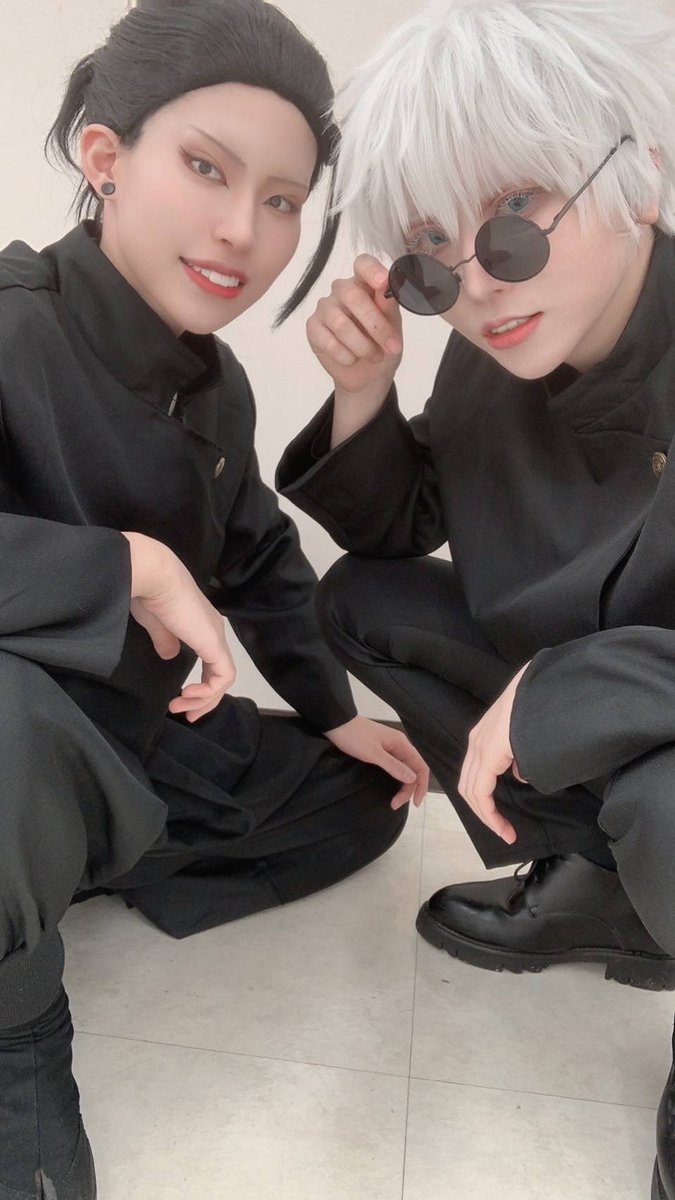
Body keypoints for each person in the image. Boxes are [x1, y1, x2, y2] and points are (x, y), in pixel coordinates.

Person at [0, 2, 430, 1195]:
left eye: (283, 199)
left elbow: (258, 558)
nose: (245, 230)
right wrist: (129, 566)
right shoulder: (11, 323)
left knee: (369, 798)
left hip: (134, 739)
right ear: (105, 156)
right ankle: (16, 1028)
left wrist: (333, 711)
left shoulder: (216, 383)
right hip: (20, 733)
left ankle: (62, 855)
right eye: (206, 168)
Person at [275, 0, 675, 1194]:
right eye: (430, 250)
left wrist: (563, 688)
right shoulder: (488, 348)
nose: (477, 281)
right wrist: (364, 390)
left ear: (642, 176)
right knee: (366, 601)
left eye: (515, 213)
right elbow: (401, 530)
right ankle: (602, 890)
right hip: (584, 712)